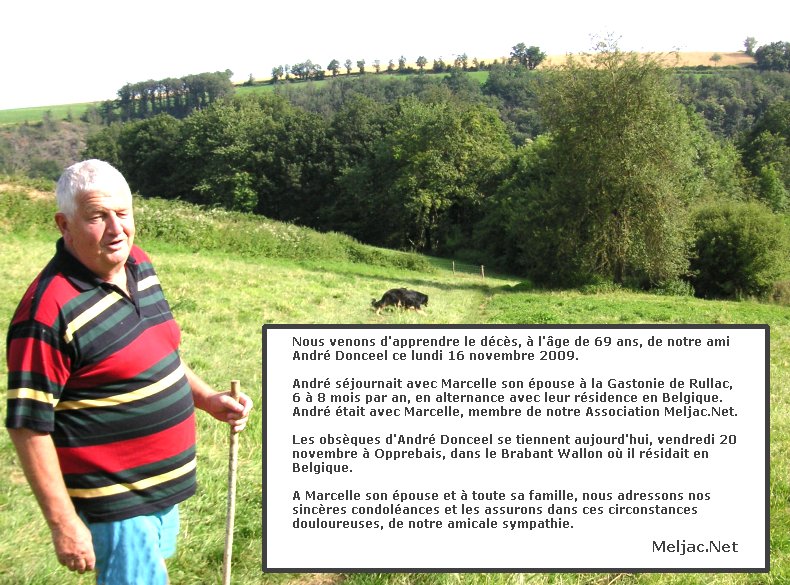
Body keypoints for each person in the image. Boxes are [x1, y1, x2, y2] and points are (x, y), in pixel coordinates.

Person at [5, 159, 254, 584]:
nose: (116, 229)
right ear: (64, 224)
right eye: (97, 217)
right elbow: (28, 427)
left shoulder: (137, 264)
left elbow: (160, 352)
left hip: (159, 492)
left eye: (122, 213)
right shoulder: (46, 313)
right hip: (116, 502)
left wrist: (207, 399)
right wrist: (64, 524)